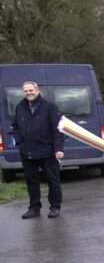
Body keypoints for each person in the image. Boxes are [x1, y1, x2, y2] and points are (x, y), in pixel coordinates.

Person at [10, 81, 64, 219]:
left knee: (53, 180)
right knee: (31, 181)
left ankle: (55, 207)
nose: (29, 93)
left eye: (31, 90)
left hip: (47, 151)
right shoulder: (20, 107)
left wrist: (58, 148)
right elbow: (15, 126)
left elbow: (58, 130)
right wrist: (18, 141)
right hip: (27, 151)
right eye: (26, 91)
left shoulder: (49, 107)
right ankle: (34, 208)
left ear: (37, 90)